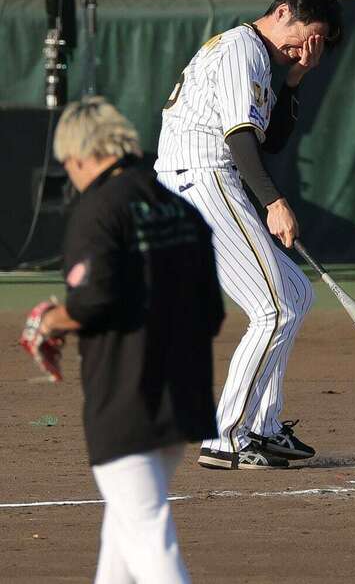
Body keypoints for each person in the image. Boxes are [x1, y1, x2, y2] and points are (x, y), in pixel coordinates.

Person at [21, 97, 224, 582]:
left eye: (69, 164)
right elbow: (212, 312)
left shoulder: (99, 210)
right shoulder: (177, 207)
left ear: (83, 155)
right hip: (182, 396)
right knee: (124, 536)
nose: (71, 175)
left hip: (127, 399)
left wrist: (50, 320)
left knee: (149, 535)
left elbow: (93, 300)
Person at [155, 0, 342, 470]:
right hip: (201, 176)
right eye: (306, 36)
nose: (305, 48)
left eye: (315, 45)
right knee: (275, 307)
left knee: (295, 295)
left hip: (203, 179)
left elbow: (270, 141)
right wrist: (275, 202)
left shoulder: (256, 55)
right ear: (282, 11)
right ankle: (228, 434)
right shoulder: (243, 48)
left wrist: (297, 78)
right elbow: (240, 140)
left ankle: (262, 427)